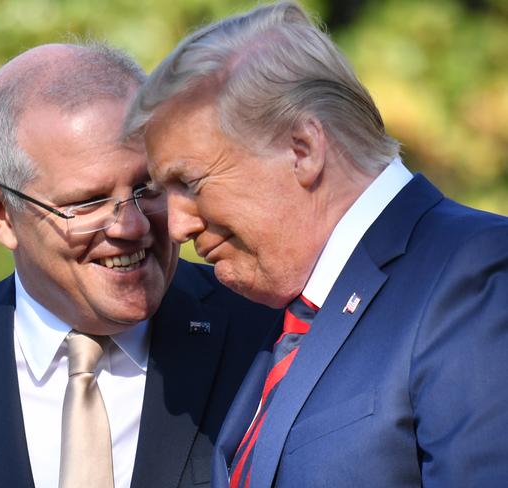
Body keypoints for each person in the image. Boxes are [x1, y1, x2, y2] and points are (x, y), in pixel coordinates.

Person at [0, 43, 279, 488]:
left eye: (149, 187)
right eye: (89, 202)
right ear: (0, 213)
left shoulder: (269, 339)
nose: (132, 226)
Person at [123, 2, 508, 487]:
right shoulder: (283, 315)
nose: (175, 225)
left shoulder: (476, 275)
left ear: (302, 149)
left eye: (190, 183)